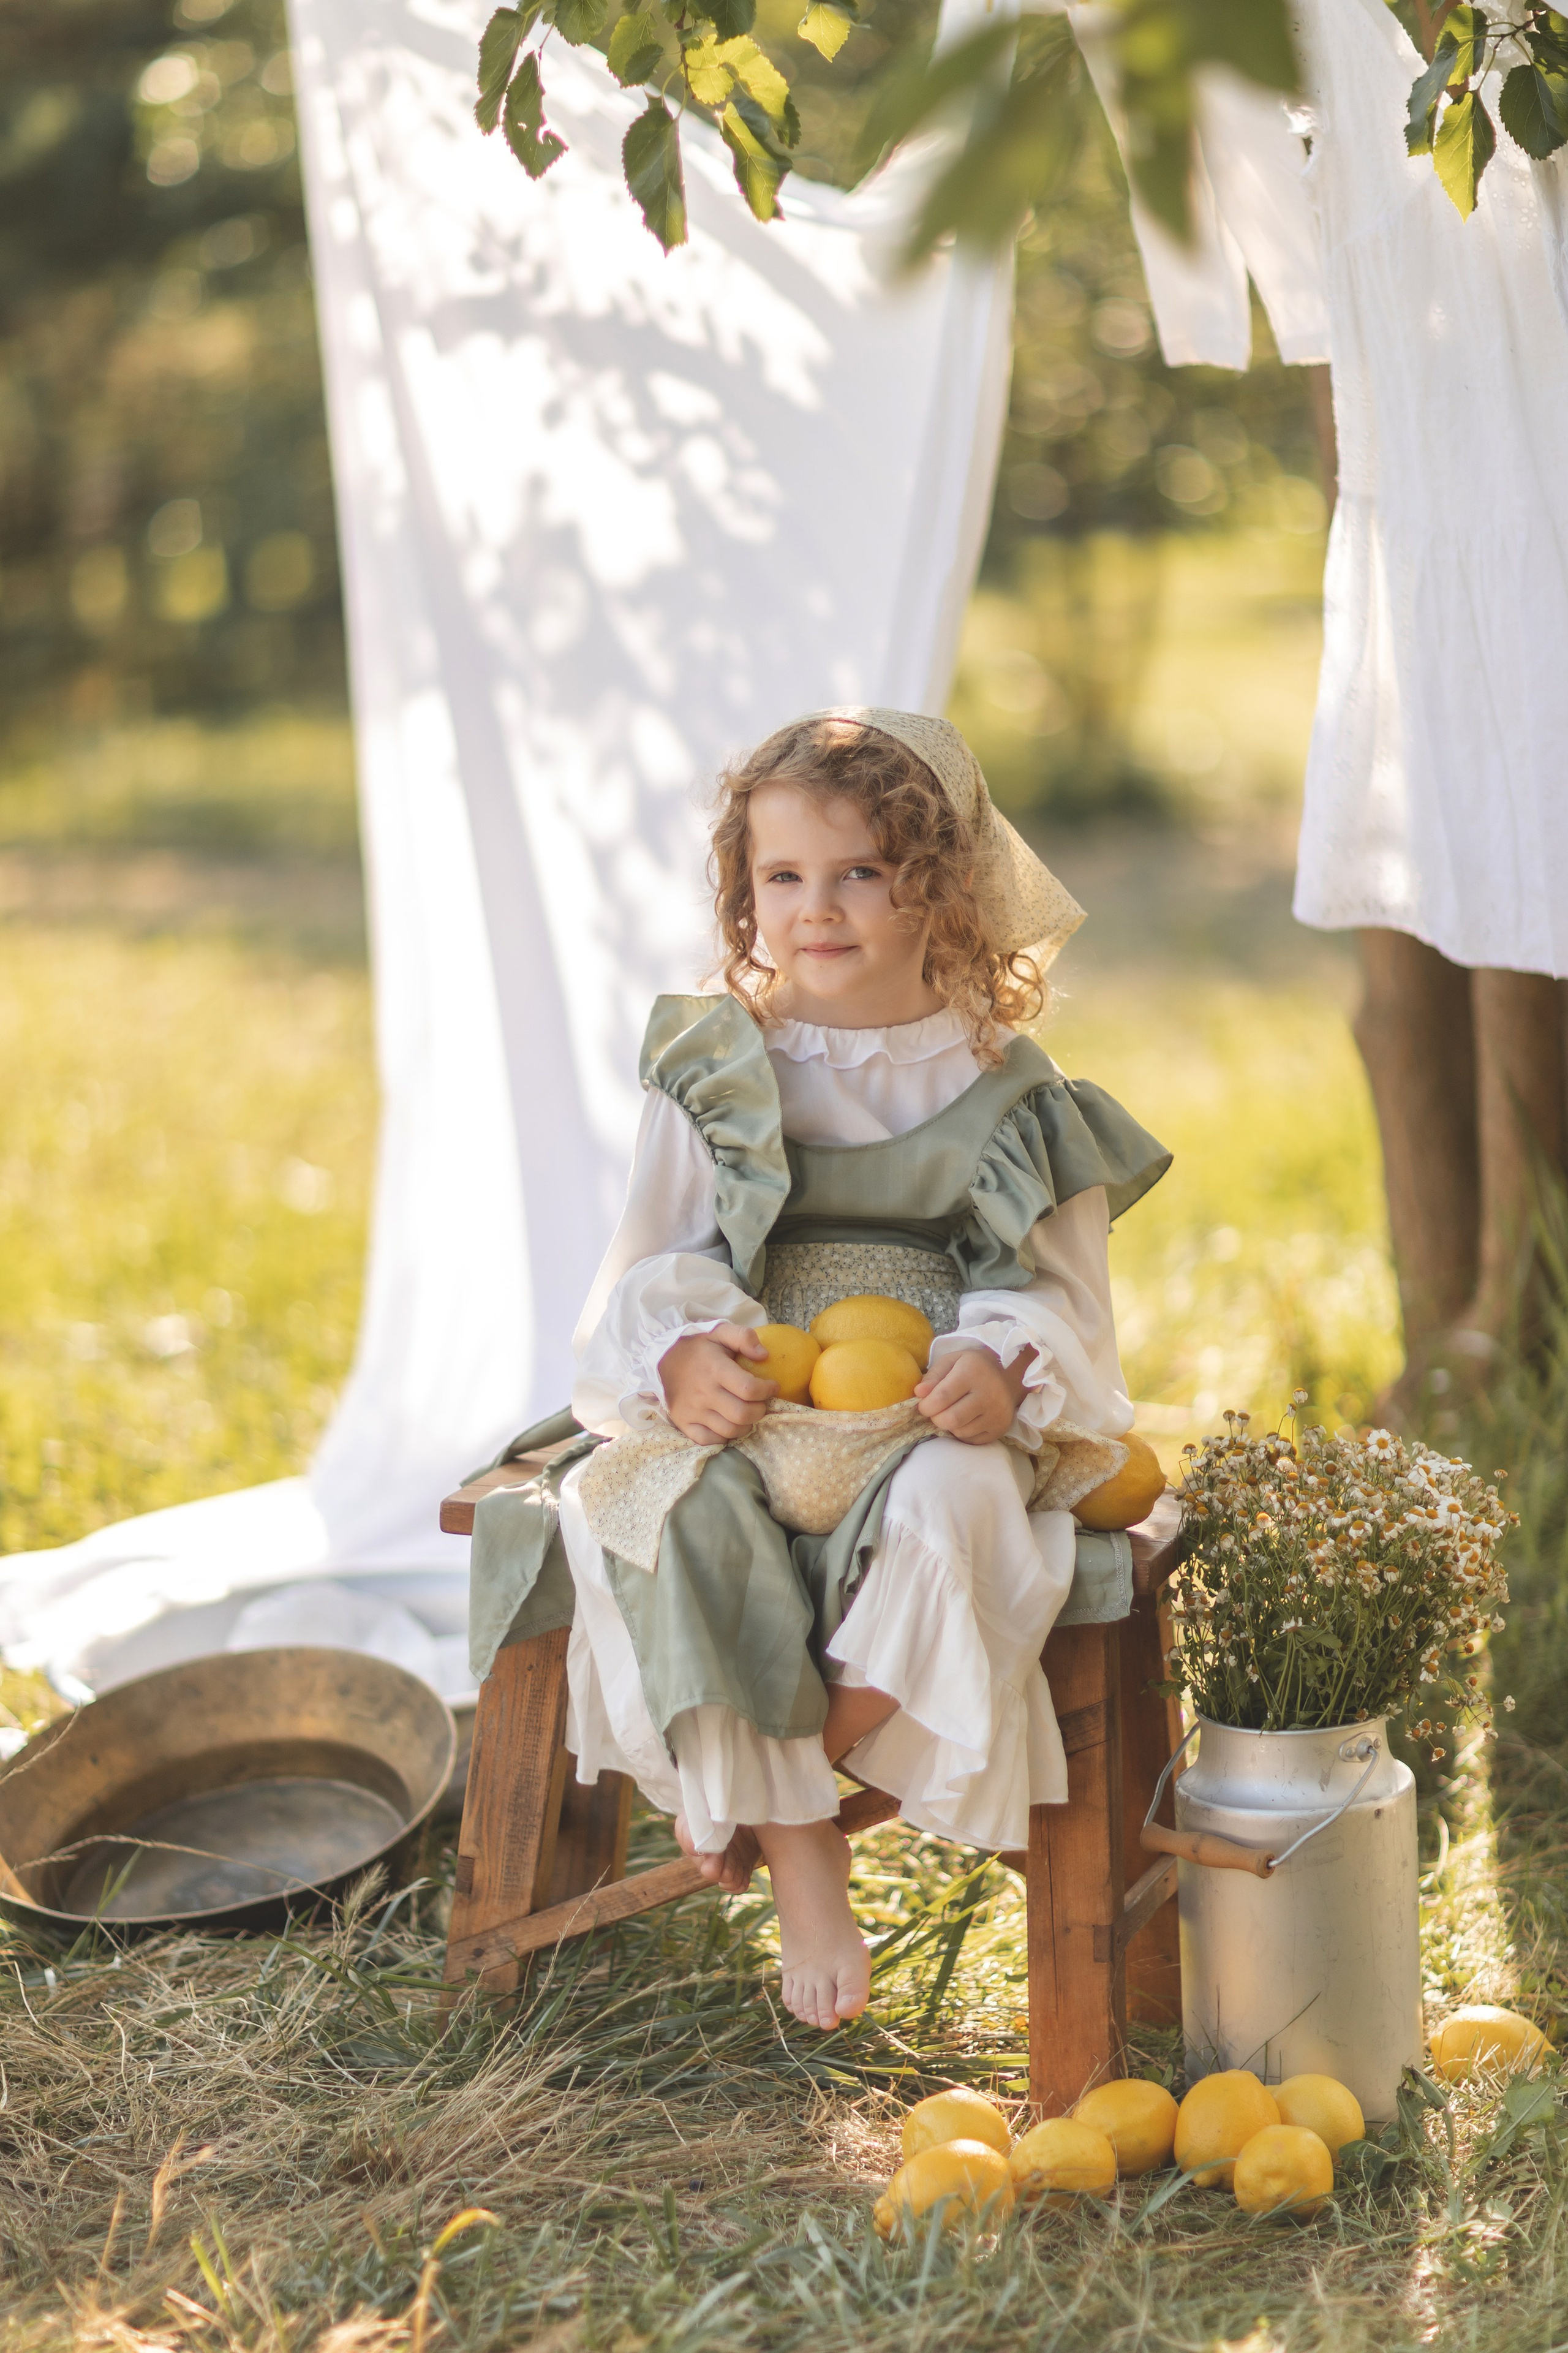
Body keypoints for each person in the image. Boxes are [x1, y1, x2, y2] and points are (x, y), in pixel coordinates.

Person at [524, 709, 1168, 2032]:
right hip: (760, 1397)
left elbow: (1049, 1288)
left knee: (964, 1506)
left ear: (939, 882)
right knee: (662, 1507)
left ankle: (777, 1780)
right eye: (781, 877)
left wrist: (998, 1364)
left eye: (860, 872)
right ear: (742, 890)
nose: (815, 909)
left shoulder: (1008, 1090)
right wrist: (683, 1348)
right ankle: (809, 1861)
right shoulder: (720, 1064)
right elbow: (655, 1258)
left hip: (919, 1410)